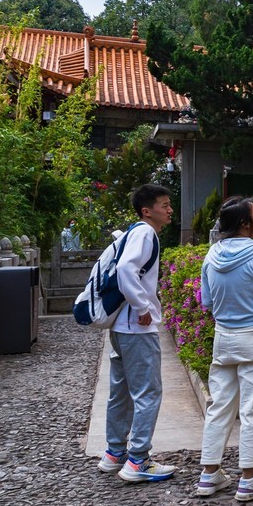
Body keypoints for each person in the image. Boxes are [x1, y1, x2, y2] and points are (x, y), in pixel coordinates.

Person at [195, 197, 253, 502]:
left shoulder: (212, 254)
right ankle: (248, 479)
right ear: (245, 224)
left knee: (219, 407)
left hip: (224, 338)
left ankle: (209, 475)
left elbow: (206, 302)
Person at [96, 184, 176, 482]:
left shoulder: (134, 231)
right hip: (136, 327)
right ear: (147, 210)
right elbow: (127, 271)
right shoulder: (145, 233)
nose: (169, 210)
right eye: (164, 205)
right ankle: (138, 461)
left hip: (121, 326)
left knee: (120, 392)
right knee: (148, 392)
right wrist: (142, 306)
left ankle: (114, 452)